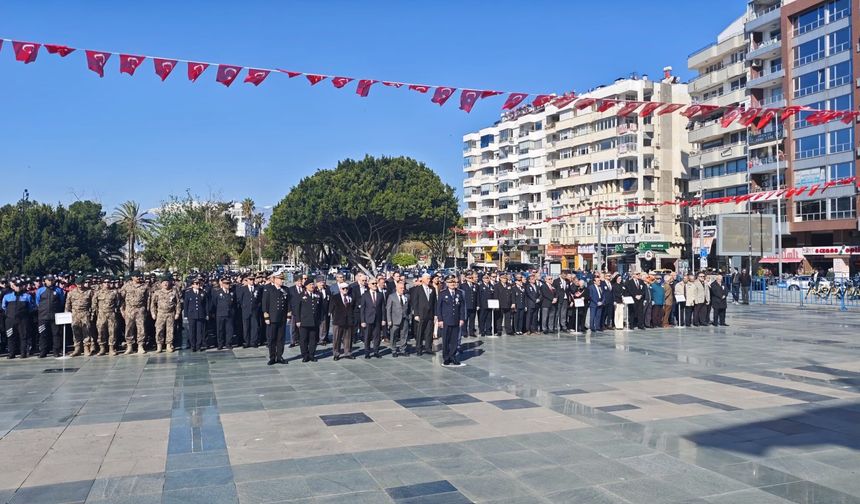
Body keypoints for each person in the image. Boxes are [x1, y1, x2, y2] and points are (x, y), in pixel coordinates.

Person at [436, 275, 465, 366]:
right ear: (447, 284)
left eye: (453, 282)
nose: (452, 284)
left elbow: (462, 307)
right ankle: (446, 357)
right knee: (446, 340)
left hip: (456, 319)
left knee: (454, 340)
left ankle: (453, 356)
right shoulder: (443, 293)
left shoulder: (459, 293)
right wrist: (440, 320)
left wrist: (461, 319)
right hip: (446, 320)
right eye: (450, 282)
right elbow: (439, 308)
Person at [3, 278, 35, 359]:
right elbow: (4, 307)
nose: (18, 288)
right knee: (10, 336)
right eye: (17, 286)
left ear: (23, 286)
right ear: (13, 286)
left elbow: (31, 307)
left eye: (20, 286)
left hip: (23, 320)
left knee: (23, 337)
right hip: (10, 320)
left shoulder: (27, 296)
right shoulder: (7, 296)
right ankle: (11, 353)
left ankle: (23, 353)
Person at [262, 272, 289, 365]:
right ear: (275, 279)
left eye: (282, 279)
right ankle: (272, 357)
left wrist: (288, 315)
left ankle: (279, 356)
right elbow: (265, 303)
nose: (282, 281)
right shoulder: (268, 289)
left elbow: (288, 304)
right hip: (272, 318)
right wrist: (266, 316)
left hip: (282, 317)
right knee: (272, 338)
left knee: (281, 338)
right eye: (280, 279)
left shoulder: (285, 289)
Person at [35, 274, 65, 358]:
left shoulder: (59, 290)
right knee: (43, 334)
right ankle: (43, 351)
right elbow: (37, 302)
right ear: (45, 281)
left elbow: (62, 302)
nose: (50, 281)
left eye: (52, 280)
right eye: (49, 280)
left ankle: (56, 351)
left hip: (55, 316)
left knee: (56, 334)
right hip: (43, 317)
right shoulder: (40, 290)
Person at [151, 276, 182, 353]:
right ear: (161, 284)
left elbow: (178, 303)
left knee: (170, 330)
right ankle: (159, 345)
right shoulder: (157, 293)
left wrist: (177, 313)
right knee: (159, 330)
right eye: (164, 282)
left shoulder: (173, 292)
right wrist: (153, 313)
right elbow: (153, 304)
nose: (165, 284)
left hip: (170, 313)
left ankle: (169, 345)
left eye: (167, 282)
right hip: (160, 314)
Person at [121, 271, 149, 354]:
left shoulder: (144, 286)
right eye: (136, 276)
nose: (138, 278)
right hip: (129, 310)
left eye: (139, 276)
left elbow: (148, 299)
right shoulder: (126, 286)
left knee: (141, 328)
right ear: (132, 277)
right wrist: (122, 310)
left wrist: (147, 310)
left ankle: (140, 345)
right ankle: (129, 346)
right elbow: (121, 299)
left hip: (140, 310)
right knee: (129, 328)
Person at [64, 277, 94, 357]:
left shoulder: (89, 292)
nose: (80, 285)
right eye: (78, 284)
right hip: (75, 314)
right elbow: (68, 304)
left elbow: (93, 304)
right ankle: (77, 349)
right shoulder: (71, 293)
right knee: (75, 332)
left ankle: (86, 348)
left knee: (86, 331)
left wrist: (92, 314)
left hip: (85, 313)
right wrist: (67, 313)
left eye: (81, 283)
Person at [92, 277, 120, 356]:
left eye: (108, 282)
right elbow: (94, 304)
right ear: (102, 284)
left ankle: (111, 348)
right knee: (101, 332)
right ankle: (102, 348)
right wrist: (94, 315)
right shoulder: (98, 293)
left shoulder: (114, 293)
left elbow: (117, 303)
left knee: (112, 332)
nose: (107, 284)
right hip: (101, 314)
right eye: (105, 282)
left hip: (111, 314)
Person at [410, 273, 436, 355]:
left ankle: (428, 347)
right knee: (420, 331)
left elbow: (435, 302)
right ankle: (419, 348)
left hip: (430, 314)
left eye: (429, 278)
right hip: (421, 314)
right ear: (423, 279)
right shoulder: (418, 289)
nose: (429, 280)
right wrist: (416, 314)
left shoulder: (432, 288)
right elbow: (415, 302)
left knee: (429, 331)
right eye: (427, 278)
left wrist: (436, 314)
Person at [296, 279, 322, 362]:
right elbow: (297, 309)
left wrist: (320, 319)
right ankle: (305, 355)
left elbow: (321, 308)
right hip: (304, 321)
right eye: (310, 285)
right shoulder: (301, 295)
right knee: (303, 339)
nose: (312, 286)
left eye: (313, 284)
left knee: (313, 339)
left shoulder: (318, 295)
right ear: (306, 286)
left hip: (314, 321)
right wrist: (298, 320)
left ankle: (312, 355)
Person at [360, 279, 386, 358]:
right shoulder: (365, 295)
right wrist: (362, 320)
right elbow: (362, 309)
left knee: (377, 336)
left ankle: (376, 351)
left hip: (377, 319)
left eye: (376, 283)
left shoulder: (380, 294)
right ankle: (367, 352)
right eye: (373, 283)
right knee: (367, 336)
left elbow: (383, 308)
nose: (375, 284)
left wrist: (383, 319)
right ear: (369, 285)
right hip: (368, 319)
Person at [329, 282, 355, 360]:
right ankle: (336, 354)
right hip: (338, 320)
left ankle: (348, 352)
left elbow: (353, 308)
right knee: (337, 338)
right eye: (343, 288)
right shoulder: (335, 297)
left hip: (348, 320)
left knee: (348, 338)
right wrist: (333, 317)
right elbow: (331, 308)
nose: (345, 290)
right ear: (340, 289)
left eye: (346, 288)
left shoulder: (351, 297)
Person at [184, 276, 208, 352]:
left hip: (200, 314)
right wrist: (185, 315)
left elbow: (205, 304)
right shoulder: (188, 293)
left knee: (199, 331)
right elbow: (186, 305)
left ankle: (199, 345)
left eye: (199, 283)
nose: (198, 285)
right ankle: (193, 345)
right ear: (192, 285)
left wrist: (206, 314)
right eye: (196, 283)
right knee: (192, 331)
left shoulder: (203, 292)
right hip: (191, 315)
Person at [386, 280, 410, 356]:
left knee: (404, 335)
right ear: (397, 288)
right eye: (401, 288)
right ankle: (393, 350)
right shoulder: (391, 296)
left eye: (403, 288)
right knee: (393, 335)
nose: (402, 289)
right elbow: (388, 309)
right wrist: (389, 320)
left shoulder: (407, 296)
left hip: (404, 319)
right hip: (395, 319)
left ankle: (403, 349)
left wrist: (409, 317)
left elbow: (409, 307)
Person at [211, 277, 236, 350]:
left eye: (228, 283)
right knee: (220, 330)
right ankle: (220, 344)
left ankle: (228, 343)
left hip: (229, 314)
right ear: (222, 284)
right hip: (220, 314)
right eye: (226, 283)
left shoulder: (232, 292)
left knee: (229, 330)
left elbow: (234, 303)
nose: (228, 285)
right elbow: (215, 303)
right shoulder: (218, 292)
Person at [237, 275, 261, 348]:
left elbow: (259, 299)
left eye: (253, 280)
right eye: (250, 280)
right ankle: (246, 342)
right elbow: (240, 299)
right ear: (247, 280)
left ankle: (254, 342)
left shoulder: (257, 288)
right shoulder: (243, 289)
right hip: (246, 310)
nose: (252, 281)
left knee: (255, 326)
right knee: (246, 327)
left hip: (254, 310)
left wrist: (257, 307)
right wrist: (244, 306)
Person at [461, 272, 478, 338]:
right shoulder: (463, 285)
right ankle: (464, 332)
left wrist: (477, 305)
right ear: (466, 278)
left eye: (471, 277)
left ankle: (471, 332)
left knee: (472, 319)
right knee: (465, 319)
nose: (471, 279)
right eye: (469, 278)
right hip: (466, 305)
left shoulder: (475, 285)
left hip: (473, 305)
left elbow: (477, 296)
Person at [315, 276, 331, 346]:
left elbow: (330, 300)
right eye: (321, 282)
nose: (322, 283)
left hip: (326, 310)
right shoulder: (315, 290)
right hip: (317, 311)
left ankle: (323, 339)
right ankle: (317, 338)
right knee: (317, 325)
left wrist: (330, 310)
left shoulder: (327, 289)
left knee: (325, 325)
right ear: (317, 283)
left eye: (323, 282)